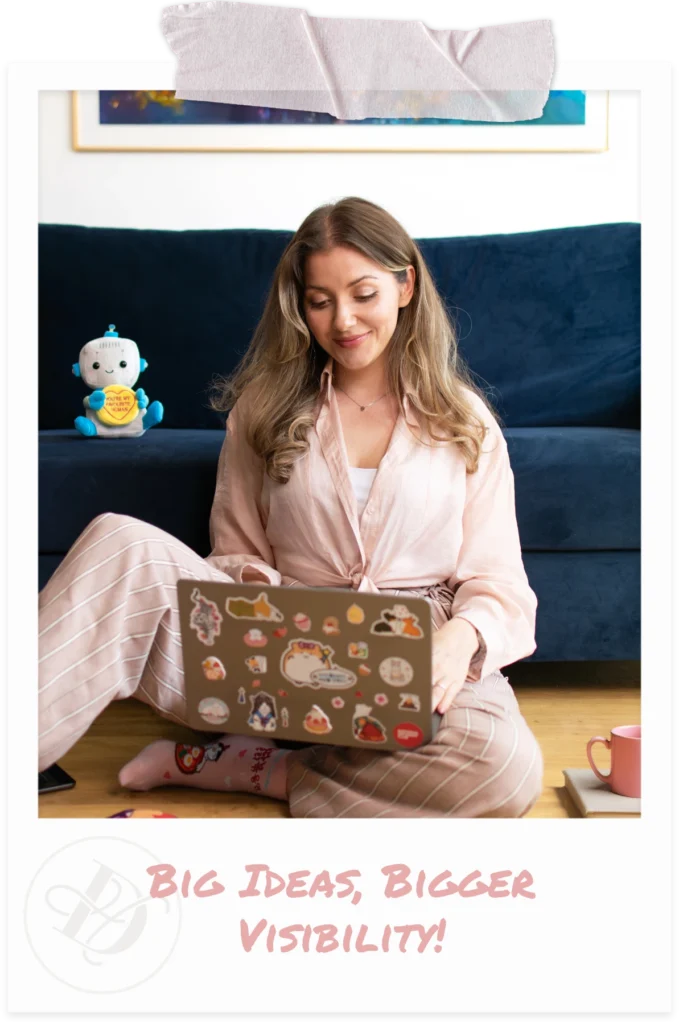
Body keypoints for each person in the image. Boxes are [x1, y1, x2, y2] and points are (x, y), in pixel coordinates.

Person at [38, 197, 543, 818]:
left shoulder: (466, 420)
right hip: (279, 650)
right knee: (119, 541)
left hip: (415, 657)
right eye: (320, 300)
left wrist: (458, 640)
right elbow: (236, 552)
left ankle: (259, 769)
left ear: (405, 285)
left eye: (364, 294)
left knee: (505, 766)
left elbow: (500, 581)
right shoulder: (263, 408)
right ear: (300, 306)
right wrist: (279, 620)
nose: (344, 321)